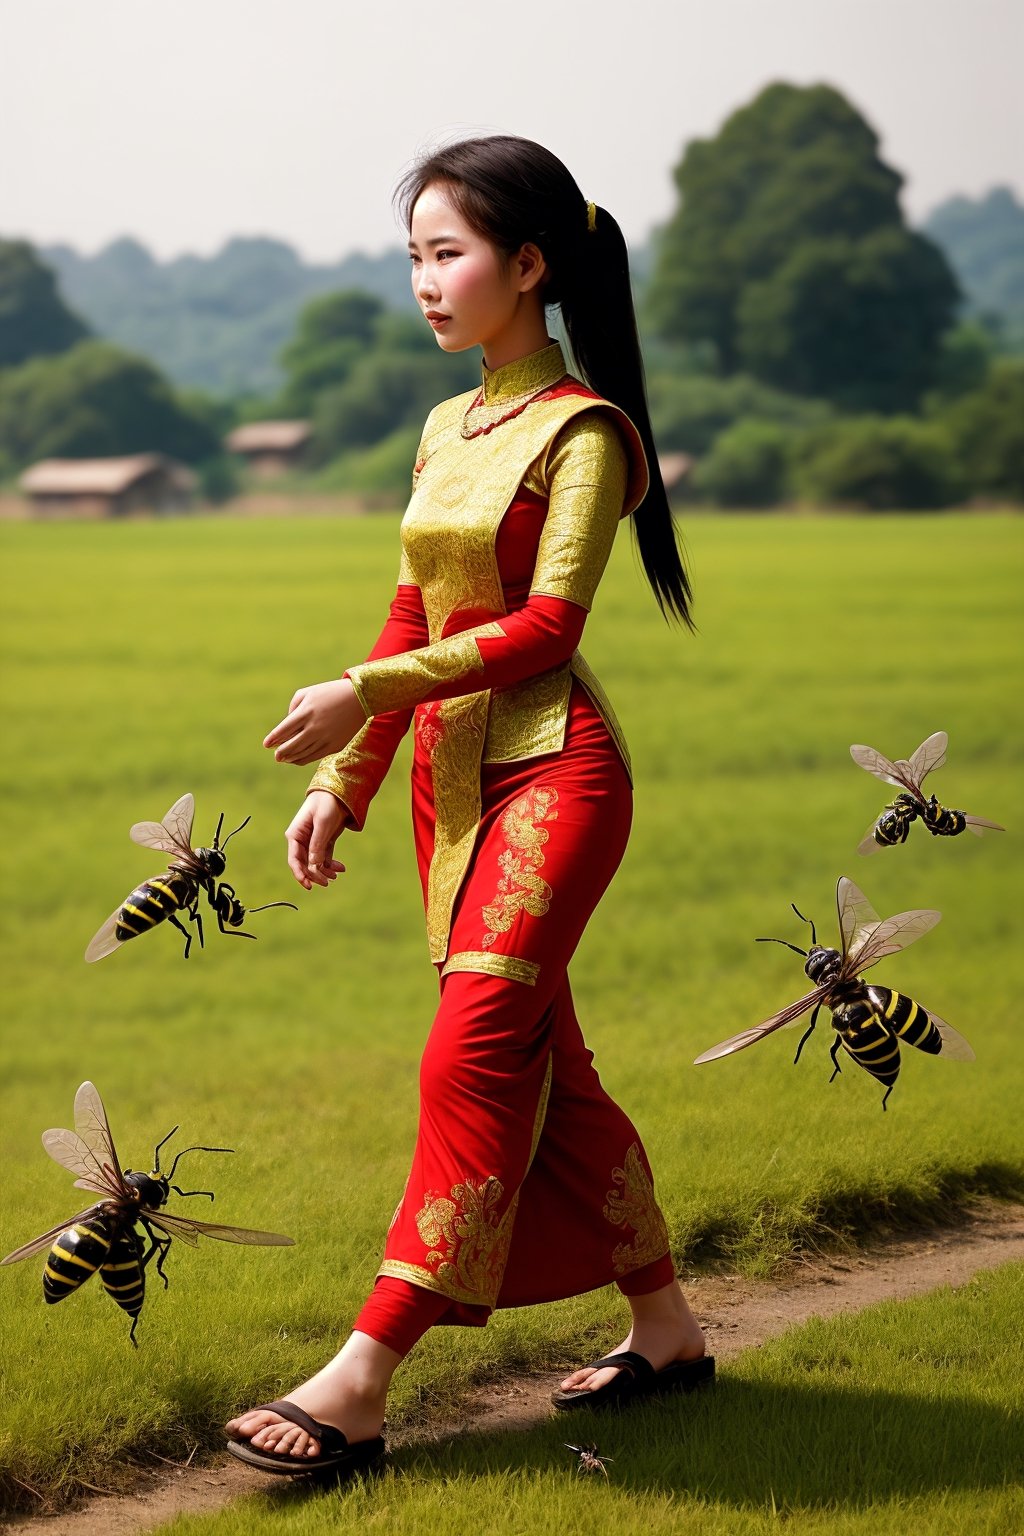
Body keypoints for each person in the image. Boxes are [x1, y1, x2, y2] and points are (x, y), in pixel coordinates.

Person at [226, 135, 711, 1478]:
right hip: (452, 785)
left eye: (448, 256)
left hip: (556, 776)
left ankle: (363, 1374)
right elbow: (413, 604)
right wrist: (348, 779)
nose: (427, 284)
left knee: (472, 1053)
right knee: (552, 1062)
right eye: (415, 260)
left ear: (531, 265)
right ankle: (665, 1330)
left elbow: (550, 624)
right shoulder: (448, 425)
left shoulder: (587, 432)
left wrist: (361, 690)